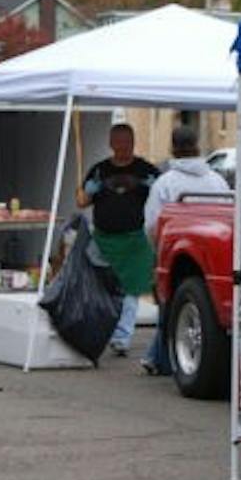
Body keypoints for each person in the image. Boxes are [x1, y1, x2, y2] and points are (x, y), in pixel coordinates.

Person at [138, 124, 231, 376]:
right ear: (198, 146)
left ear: (173, 148)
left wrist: (157, 248)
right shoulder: (217, 180)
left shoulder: (165, 183)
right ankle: (157, 356)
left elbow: (152, 222)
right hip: (214, 256)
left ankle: (160, 358)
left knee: (168, 307)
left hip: (175, 254)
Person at [77, 123, 159, 357]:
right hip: (103, 239)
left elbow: (164, 199)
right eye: (119, 142)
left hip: (134, 240)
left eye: (128, 142)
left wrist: (153, 187)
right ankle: (101, 332)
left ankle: (122, 337)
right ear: (111, 143)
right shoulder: (99, 170)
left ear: (134, 142)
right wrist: (89, 191)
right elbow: (81, 202)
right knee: (101, 287)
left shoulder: (147, 171)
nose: (123, 146)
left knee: (130, 290)